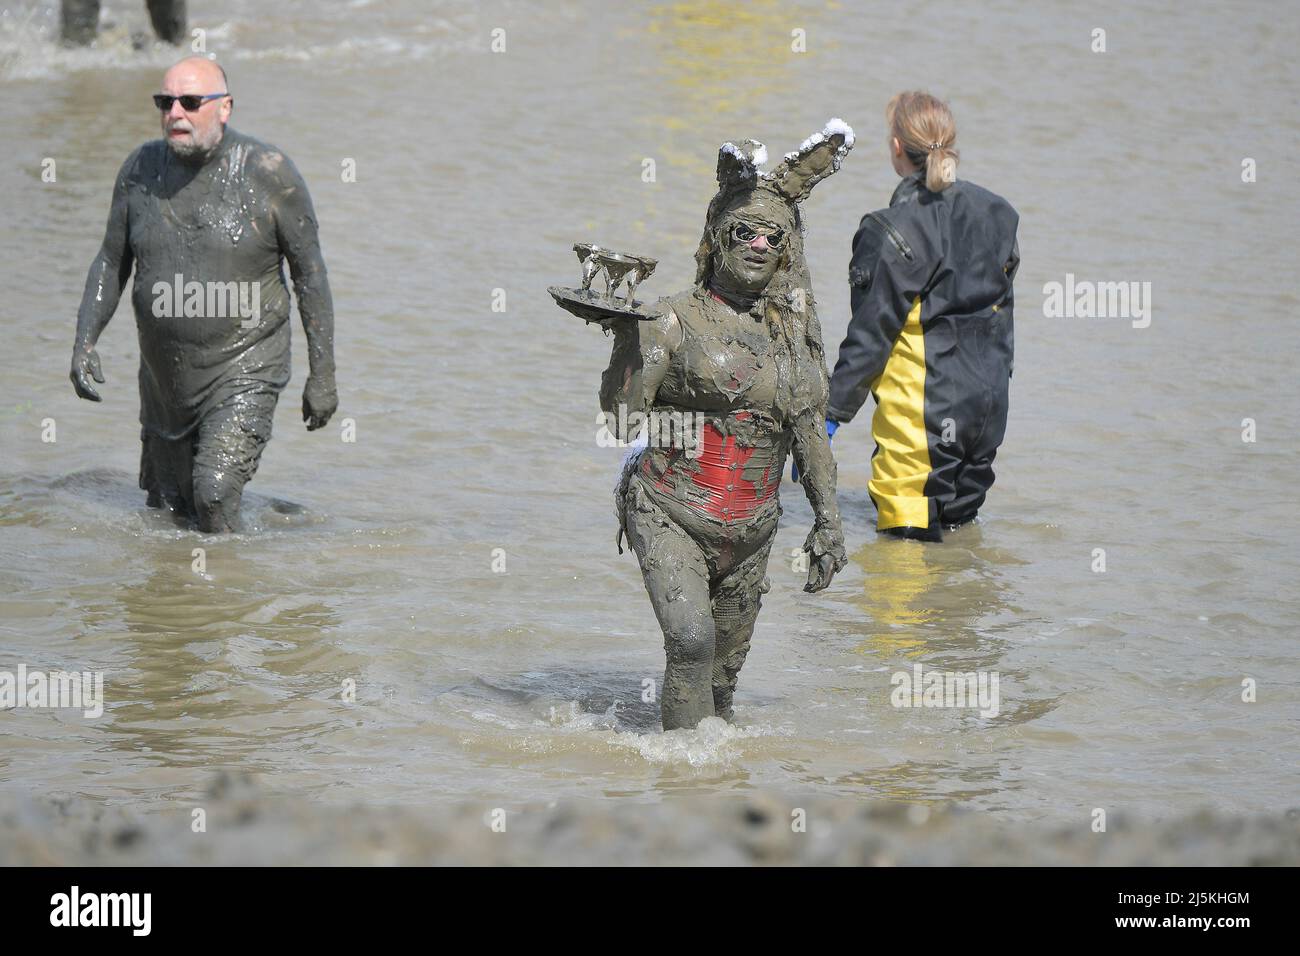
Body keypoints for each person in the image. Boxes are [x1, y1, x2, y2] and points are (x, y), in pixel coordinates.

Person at [600, 121, 853, 730]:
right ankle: (679, 778)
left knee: (721, 682)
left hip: (752, 530)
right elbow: (621, 421)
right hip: (669, 509)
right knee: (690, 641)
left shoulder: (794, 336)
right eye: (745, 231)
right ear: (717, 238)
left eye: (774, 236)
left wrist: (829, 524)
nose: (760, 244)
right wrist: (624, 349)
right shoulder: (670, 319)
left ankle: (712, 795)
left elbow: (810, 430)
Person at [69, 56, 338, 532]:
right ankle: (183, 601)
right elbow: (111, 261)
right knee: (170, 512)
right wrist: (84, 340)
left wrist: (323, 375)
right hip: (163, 378)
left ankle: (232, 599)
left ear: (225, 107)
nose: (176, 113)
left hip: (244, 367)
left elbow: (310, 276)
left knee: (213, 494)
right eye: (165, 101)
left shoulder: (270, 174)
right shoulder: (139, 170)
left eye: (191, 102)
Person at [826, 91, 1019, 541]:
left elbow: (870, 336)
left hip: (922, 422)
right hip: (988, 410)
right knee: (957, 554)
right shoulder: (998, 213)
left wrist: (830, 414)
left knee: (902, 572)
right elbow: (1002, 318)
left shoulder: (889, 229)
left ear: (897, 148)